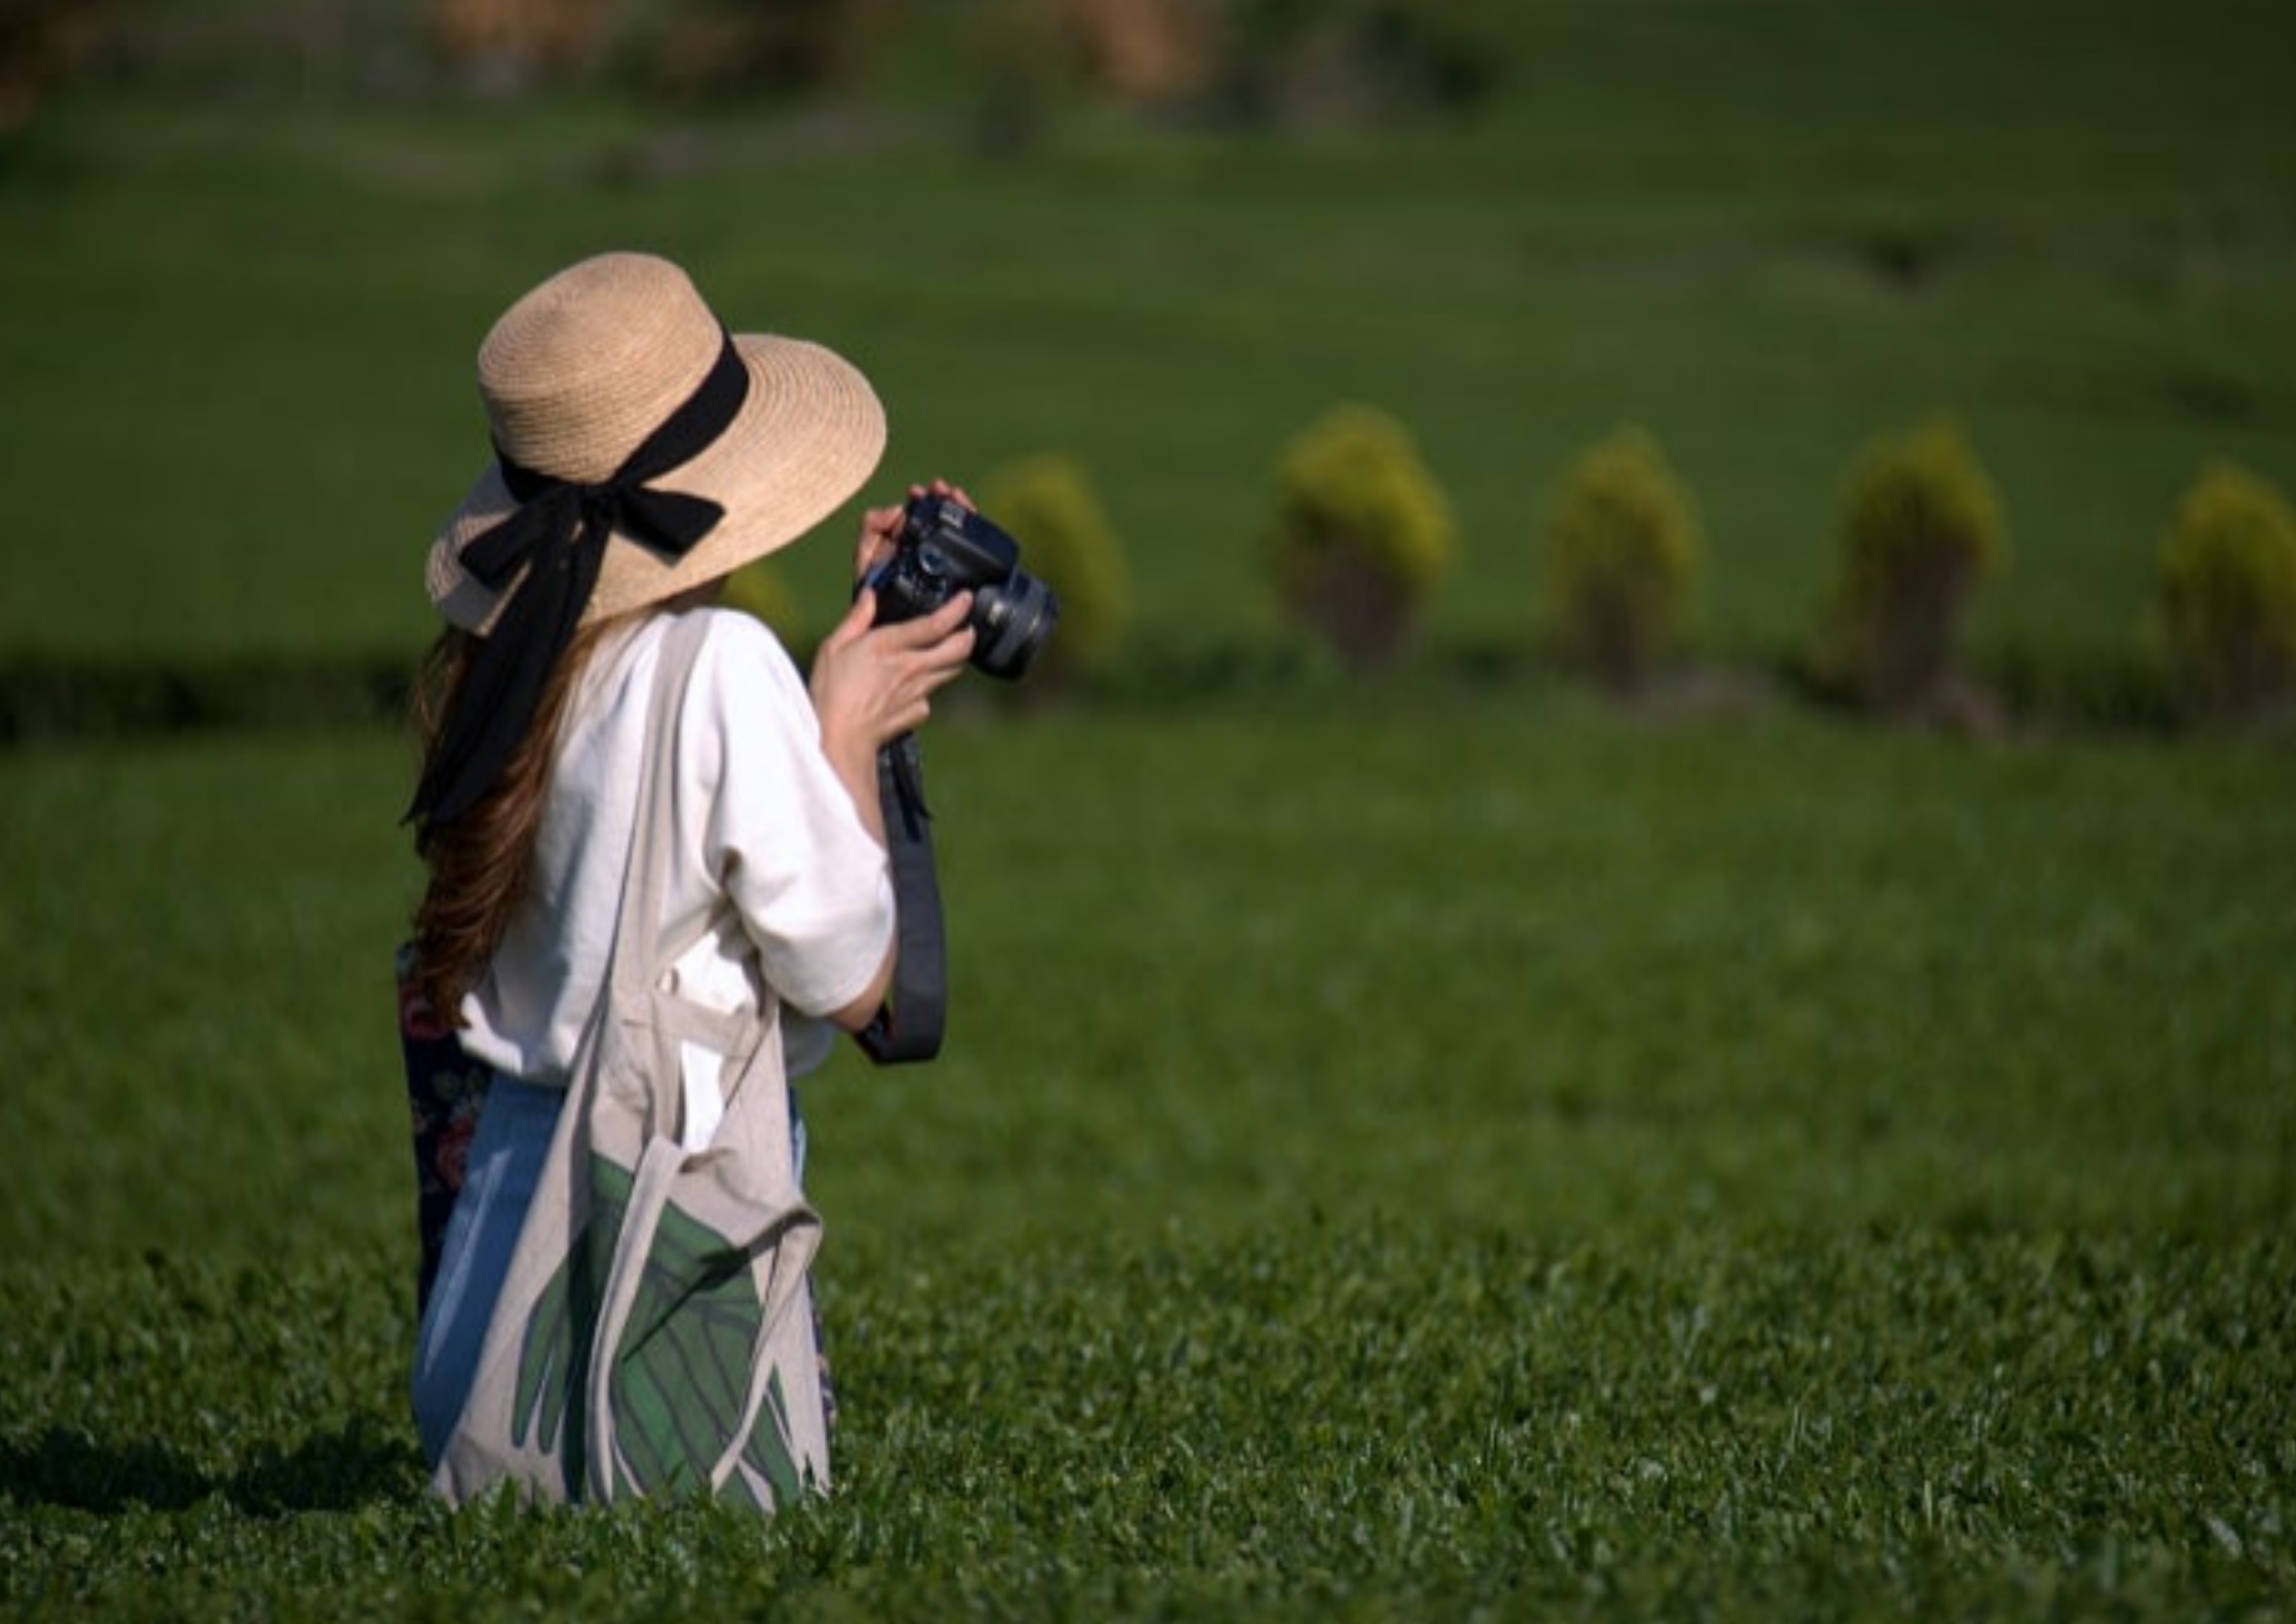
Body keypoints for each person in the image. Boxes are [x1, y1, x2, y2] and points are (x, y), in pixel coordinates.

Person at [400, 250, 975, 1493]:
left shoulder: (505, 682)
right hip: (633, 1342)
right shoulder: (718, 663)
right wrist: (846, 730)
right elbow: (857, 980)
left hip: (478, 1361)